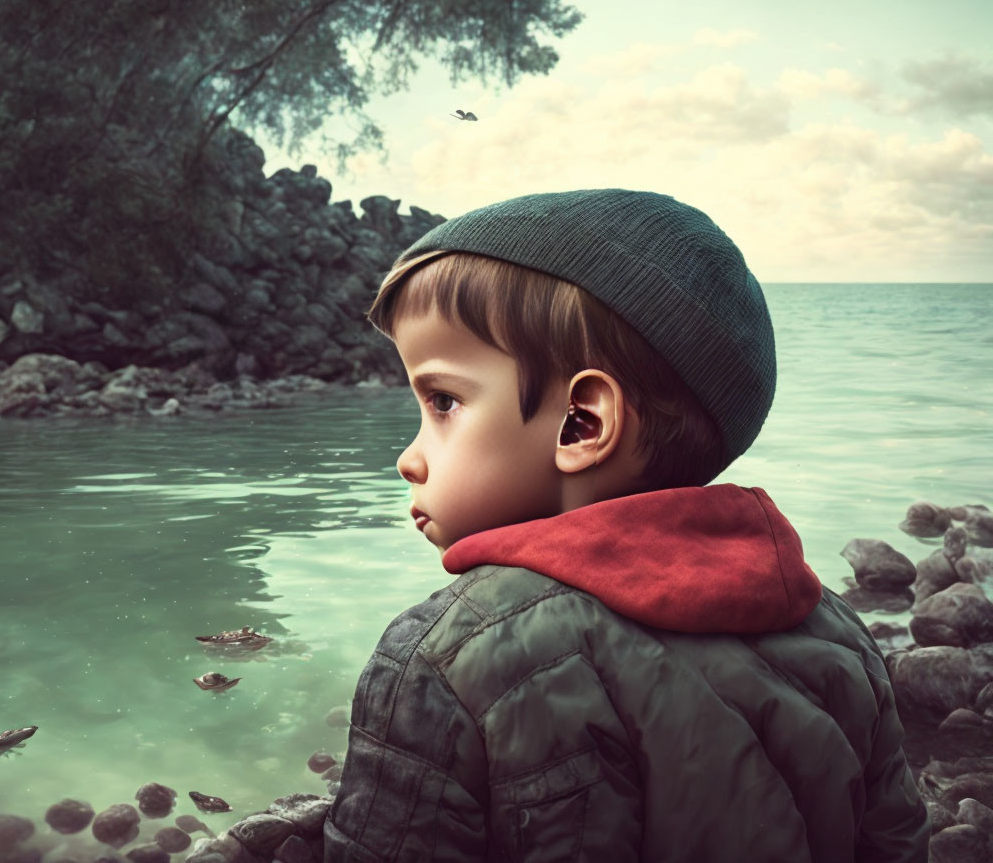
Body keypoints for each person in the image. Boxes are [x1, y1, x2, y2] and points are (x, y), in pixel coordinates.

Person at [322, 189, 929, 861]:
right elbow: (896, 843)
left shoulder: (441, 658)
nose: (409, 459)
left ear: (583, 424)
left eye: (443, 402)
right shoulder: (839, 635)